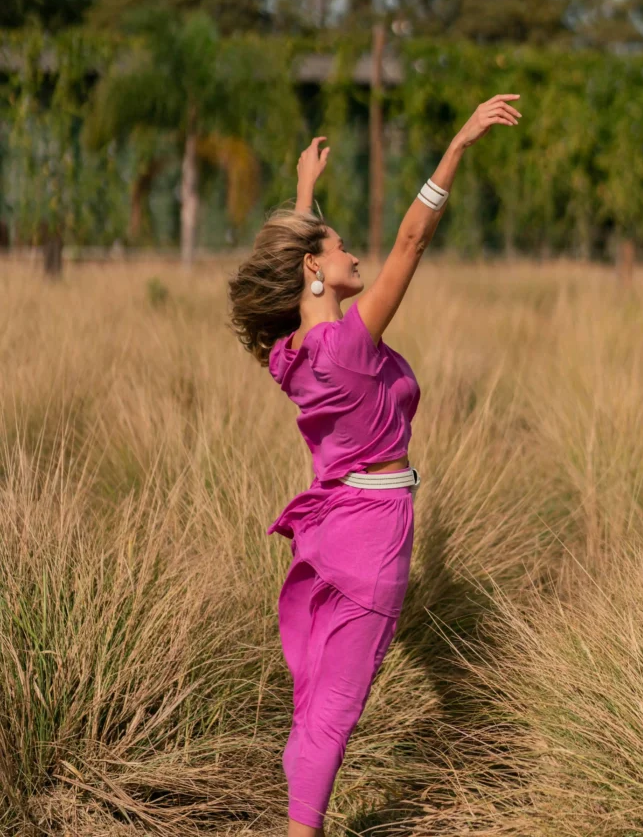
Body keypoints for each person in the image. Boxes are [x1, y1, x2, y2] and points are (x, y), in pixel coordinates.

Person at [227, 94, 522, 835]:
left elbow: (309, 275)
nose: (353, 252)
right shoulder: (348, 345)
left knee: (317, 701)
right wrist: (455, 146)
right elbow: (412, 242)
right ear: (313, 270)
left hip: (332, 528)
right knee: (334, 711)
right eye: (337, 245)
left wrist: (304, 196)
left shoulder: (287, 356)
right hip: (371, 537)